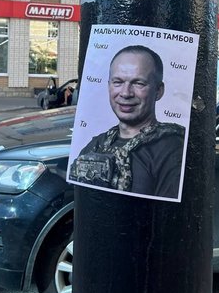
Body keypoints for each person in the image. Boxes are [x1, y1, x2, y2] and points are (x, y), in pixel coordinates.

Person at [69, 45, 185, 199]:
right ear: (108, 86)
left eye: (138, 83)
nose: (125, 93)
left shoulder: (173, 150)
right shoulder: (95, 145)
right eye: (118, 82)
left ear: (159, 90)